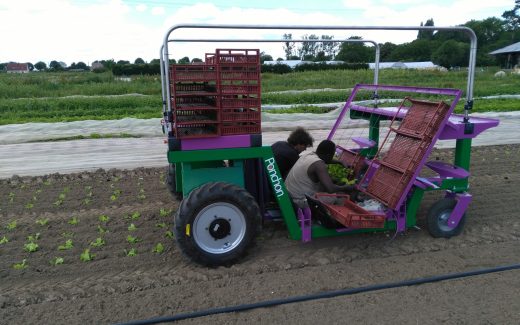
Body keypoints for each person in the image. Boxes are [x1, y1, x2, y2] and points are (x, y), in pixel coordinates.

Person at [285, 139, 354, 208]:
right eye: (332, 155)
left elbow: (326, 159)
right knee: (337, 197)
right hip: (298, 201)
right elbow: (330, 189)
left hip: (287, 195)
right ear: (328, 155)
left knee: (325, 187)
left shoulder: (308, 155)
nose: (332, 157)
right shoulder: (319, 165)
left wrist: (339, 162)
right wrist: (345, 188)